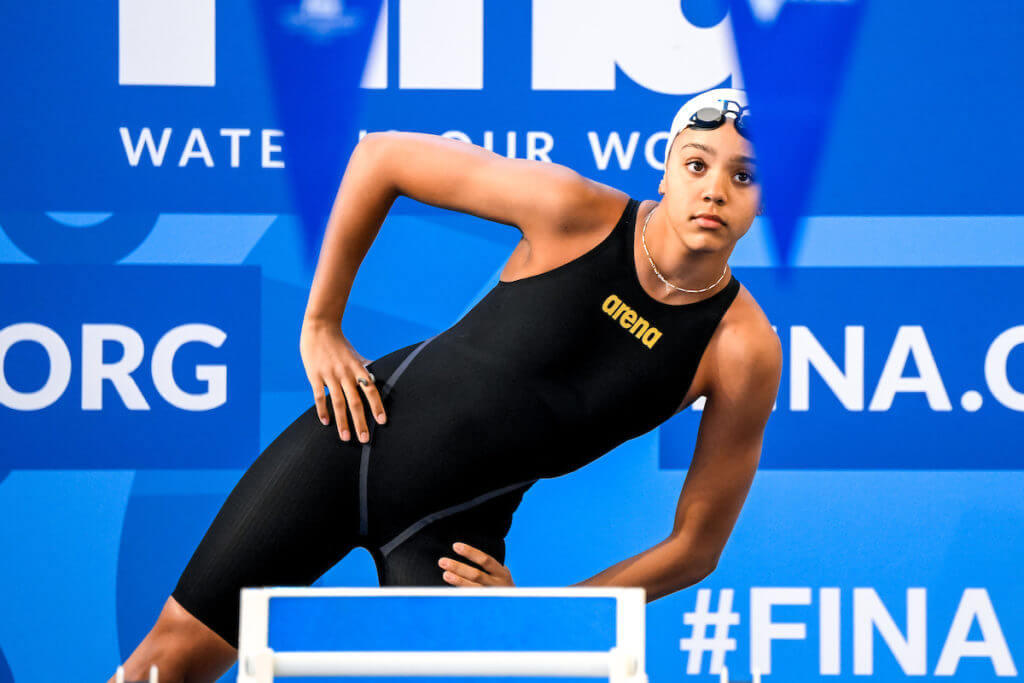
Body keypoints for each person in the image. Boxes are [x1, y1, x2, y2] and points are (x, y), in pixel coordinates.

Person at [108, 87, 782, 683]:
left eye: (743, 175)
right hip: (356, 441)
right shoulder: (575, 212)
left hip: (456, 538)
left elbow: (695, 546)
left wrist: (562, 610)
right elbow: (381, 157)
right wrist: (320, 323)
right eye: (696, 164)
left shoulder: (741, 349)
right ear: (665, 169)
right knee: (168, 663)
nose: (714, 190)